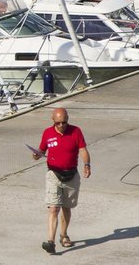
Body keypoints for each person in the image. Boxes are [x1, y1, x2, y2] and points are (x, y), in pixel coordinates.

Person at [32, 107, 91, 253]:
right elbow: (41, 151)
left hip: (71, 174)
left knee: (66, 207)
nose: (61, 125)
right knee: (53, 208)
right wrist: (36, 155)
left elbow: (82, 149)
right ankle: (50, 242)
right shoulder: (47, 133)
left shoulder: (76, 131)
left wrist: (87, 164)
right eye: (58, 123)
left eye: (64, 122)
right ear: (53, 121)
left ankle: (64, 235)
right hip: (54, 174)